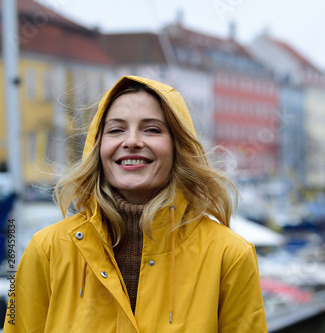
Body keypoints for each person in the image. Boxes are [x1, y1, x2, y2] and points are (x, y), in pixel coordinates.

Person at [4, 76, 267, 332]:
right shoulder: (47, 250)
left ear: (179, 147)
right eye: (116, 130)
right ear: (98, 146)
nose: (131, 141)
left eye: (152, 129)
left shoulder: (229, 256)